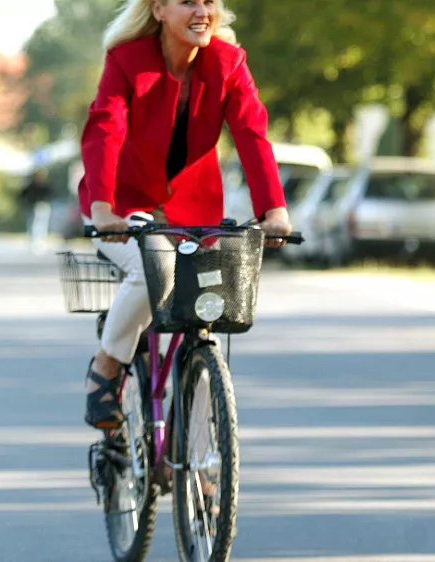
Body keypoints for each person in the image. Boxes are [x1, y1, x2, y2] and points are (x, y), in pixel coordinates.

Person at [79, 0, 292, 428]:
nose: (202, 10)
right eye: (188, 1)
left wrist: (274, 210)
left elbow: (252, 133)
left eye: (209, 1)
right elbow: (106, 127)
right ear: (157, 9)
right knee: (148, 269)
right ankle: (106, 366)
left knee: (206, 312)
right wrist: (103, 208)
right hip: (120, 210)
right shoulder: (127, 61)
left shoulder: (229, 64)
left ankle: (202, 462)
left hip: (193, 213)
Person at [19, 169, 53, 254]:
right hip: (32, 207)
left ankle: (40, 242)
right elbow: (22, 195)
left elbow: (50, 194)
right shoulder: (31, 186)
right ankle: (33, 242)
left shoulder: (45, 185)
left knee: (42, 225)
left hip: (42, 206)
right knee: (32, 224)